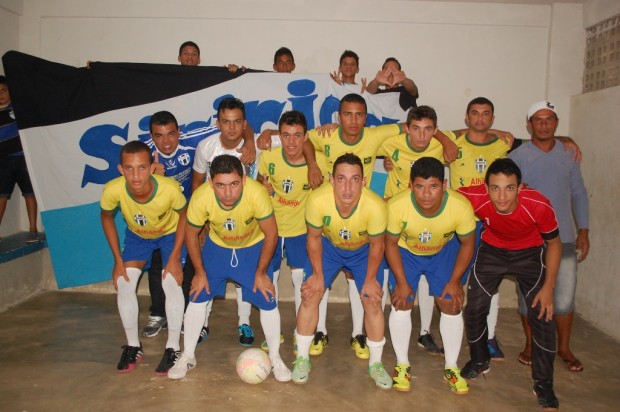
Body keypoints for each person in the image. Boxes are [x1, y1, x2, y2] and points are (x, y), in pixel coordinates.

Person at [168, 154, 291, 382]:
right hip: (218, 249)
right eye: (220, 185)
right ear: (211, 182)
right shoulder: (201, 197)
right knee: (197, 295)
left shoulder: (257, 193)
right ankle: (187, 356)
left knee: (267, 296)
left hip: (251, 248)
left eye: (234, 184)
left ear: (243, 180)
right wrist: (200, 272)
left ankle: (274, 357)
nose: (227, 193)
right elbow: (191, 234)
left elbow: (271, 234)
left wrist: (261, 273)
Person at [458, 158, 562, 410]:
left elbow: (555, 244)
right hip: (492, 250)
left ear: (520, 186)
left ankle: (543, 382)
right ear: (486, 188)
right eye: (495, 188)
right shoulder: (474, 197)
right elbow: (439, 193)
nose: (502, 196)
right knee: (474, 309)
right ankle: (480, 359)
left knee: (543, 315)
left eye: (509, 188)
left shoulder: (538, 205)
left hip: (529, 254)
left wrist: (549, 287)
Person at [292, 153, 391, 389]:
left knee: (372, 300)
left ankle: (376, 364)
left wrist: (369, 281)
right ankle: (302, 359)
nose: (348, 187)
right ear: (331, 180)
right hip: (329, 248)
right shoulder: (317, 200)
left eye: (355, 179)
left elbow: (378, 245)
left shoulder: (375, 206)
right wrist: (317, 275)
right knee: (310, 295)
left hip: (363, 250)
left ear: (363, 181)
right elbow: (313, 238)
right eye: (342, 179)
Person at [509, 101, 589, 372]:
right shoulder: (517, 158)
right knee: (527, 296)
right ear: (529, 124)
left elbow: (578, 193)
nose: (543, 124)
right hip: (527, 241)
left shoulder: (569, 154)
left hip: (564, 238)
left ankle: (563, 347)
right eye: (538, 120)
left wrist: (584, 231)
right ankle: (531, 345)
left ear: (556, 123)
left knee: (564, 296)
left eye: (549, 119)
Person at [386, 157, 475, 393]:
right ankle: (402, 365)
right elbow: (390, 244)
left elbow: (467, 244)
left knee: (452, 304)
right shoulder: (397, 205)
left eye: (433, 186)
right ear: (410, 185)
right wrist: (402, 283)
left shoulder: (460, 206)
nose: (426, 194)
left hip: (442, 252)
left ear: (444, 185)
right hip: (406, 253)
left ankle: (451, 367)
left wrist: (455, 281)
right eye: (420, 186)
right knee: (402, 301)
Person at [100, 141, 186, 376]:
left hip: (169, 234)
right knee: (124, 283)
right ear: (120, 169)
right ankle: (133, 346)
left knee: (170, 281)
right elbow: (106, 217)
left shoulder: (169, 188)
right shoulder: (113, 189)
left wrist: (175, 256)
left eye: (141, 168)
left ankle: (173, 348)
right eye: (129, 168)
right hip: (138, 237)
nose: (135, 175)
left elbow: (184, 215)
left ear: (151, 167)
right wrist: (118, 260)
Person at [191, 97, 260, 346]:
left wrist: (251, 140)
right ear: (218, 123)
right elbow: (197, 184)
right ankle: (202, 324)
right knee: (209, 276)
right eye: (226, 122)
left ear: (244, 124)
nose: (232, 127)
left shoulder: (255, 147)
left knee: (244, 278)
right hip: (214, 225)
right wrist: (200, 224)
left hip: (246, 227)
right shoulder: (206, 147)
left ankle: (244, 323)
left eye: (237, 122)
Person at [141, 111, 210, 344]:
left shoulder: (192, 142)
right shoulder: (144, 156)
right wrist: (152, 178)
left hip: (189, 216)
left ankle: (185, 314)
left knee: (190, 262)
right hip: (160, 220)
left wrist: (251, 141)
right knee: (157, 264)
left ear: (179, 132)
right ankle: (158, 313)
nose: (167, 141)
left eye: (172, 134)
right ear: (151, 136)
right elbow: (130, 188)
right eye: (159, 136)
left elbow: (238, 127)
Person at [257, 110, 319, 354]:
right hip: (271, 228)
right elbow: (260, 180)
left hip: (300, 230)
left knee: (299, 281)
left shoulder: (318, 163)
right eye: (286, 135)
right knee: (268, 280)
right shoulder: (269, 156)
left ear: (306, 137)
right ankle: (273, 333)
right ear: (279, 137)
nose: (291, 142)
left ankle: (299, 331)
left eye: (297, 136)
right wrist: (263, 186)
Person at [0, 76, 39, 243]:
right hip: (3, 161)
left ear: (10, 91)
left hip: (23, 159)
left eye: (3, 90)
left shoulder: (19, 108)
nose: (1, 94)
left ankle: (33, 229)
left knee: (29, 193)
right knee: (1, 195)